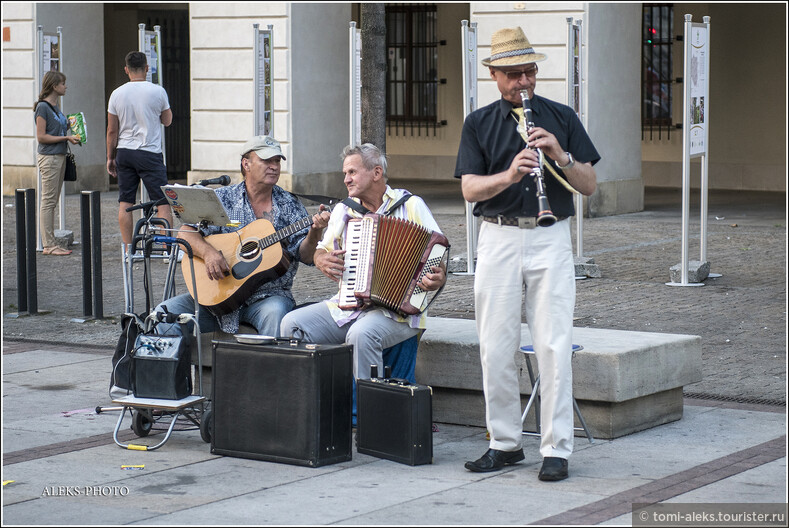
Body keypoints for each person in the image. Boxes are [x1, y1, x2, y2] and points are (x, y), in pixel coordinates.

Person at [455, 27, 600, 481]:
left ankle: (557, 449)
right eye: (513, 74)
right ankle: (504, 443)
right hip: (496, 237)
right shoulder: (479, 123)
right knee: (494, 345)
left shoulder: (560, 115)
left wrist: (559, 154)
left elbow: (589, 185)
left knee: (554, 343)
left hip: (550, 236)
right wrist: (508, 176)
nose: (523, 81)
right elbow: (468, 188)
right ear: (494, 76)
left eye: (529, 71)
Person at [280, 143, 447, 379]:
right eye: (345, 174)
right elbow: (320, 251)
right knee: (291, 324)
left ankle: (366, 413)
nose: (346, 179)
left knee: (362, 334)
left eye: (352, 172)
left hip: (399, 314)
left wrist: (436, 277)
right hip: (348, 307)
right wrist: (321, 260)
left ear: (376, 173)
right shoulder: (343, 211)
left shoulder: (411, 205)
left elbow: (437, 253)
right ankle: (313, 405)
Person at [154, 135, 330, 337]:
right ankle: (181, 369)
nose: (274, 166)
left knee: (277, 316)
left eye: (277, 161)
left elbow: (306, 255)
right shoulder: (223, 198)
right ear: (246, 164)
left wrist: (316, 231)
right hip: (216, 298)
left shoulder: (289, 204)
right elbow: (185, 233)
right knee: (163, 314)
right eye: (266, 160)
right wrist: (209, 253)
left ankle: (270, 368)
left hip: (268, 297)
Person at [106, 51, 174, 247]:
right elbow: (167, 121)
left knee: (125, 202)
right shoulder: (158, 91)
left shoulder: (116, 94)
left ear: (126, 70)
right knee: (162, 202)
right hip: (150, 152)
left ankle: (129, 250)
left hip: (125, 152)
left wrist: (111, 157)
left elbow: (112, 130)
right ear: (146, 68)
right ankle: (167, 248)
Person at [33, 71, 81, 256]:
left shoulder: (55, 106)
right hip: (50, 158)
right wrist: (66, 137)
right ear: (54, 86)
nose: (65, 86)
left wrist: (71, 124)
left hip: (59, 156)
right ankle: (48, 244)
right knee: (48, 201)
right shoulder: (43, 107)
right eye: (63, 83)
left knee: (52, 201)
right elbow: (41, 136)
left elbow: (57, 128)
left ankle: (51, 242)